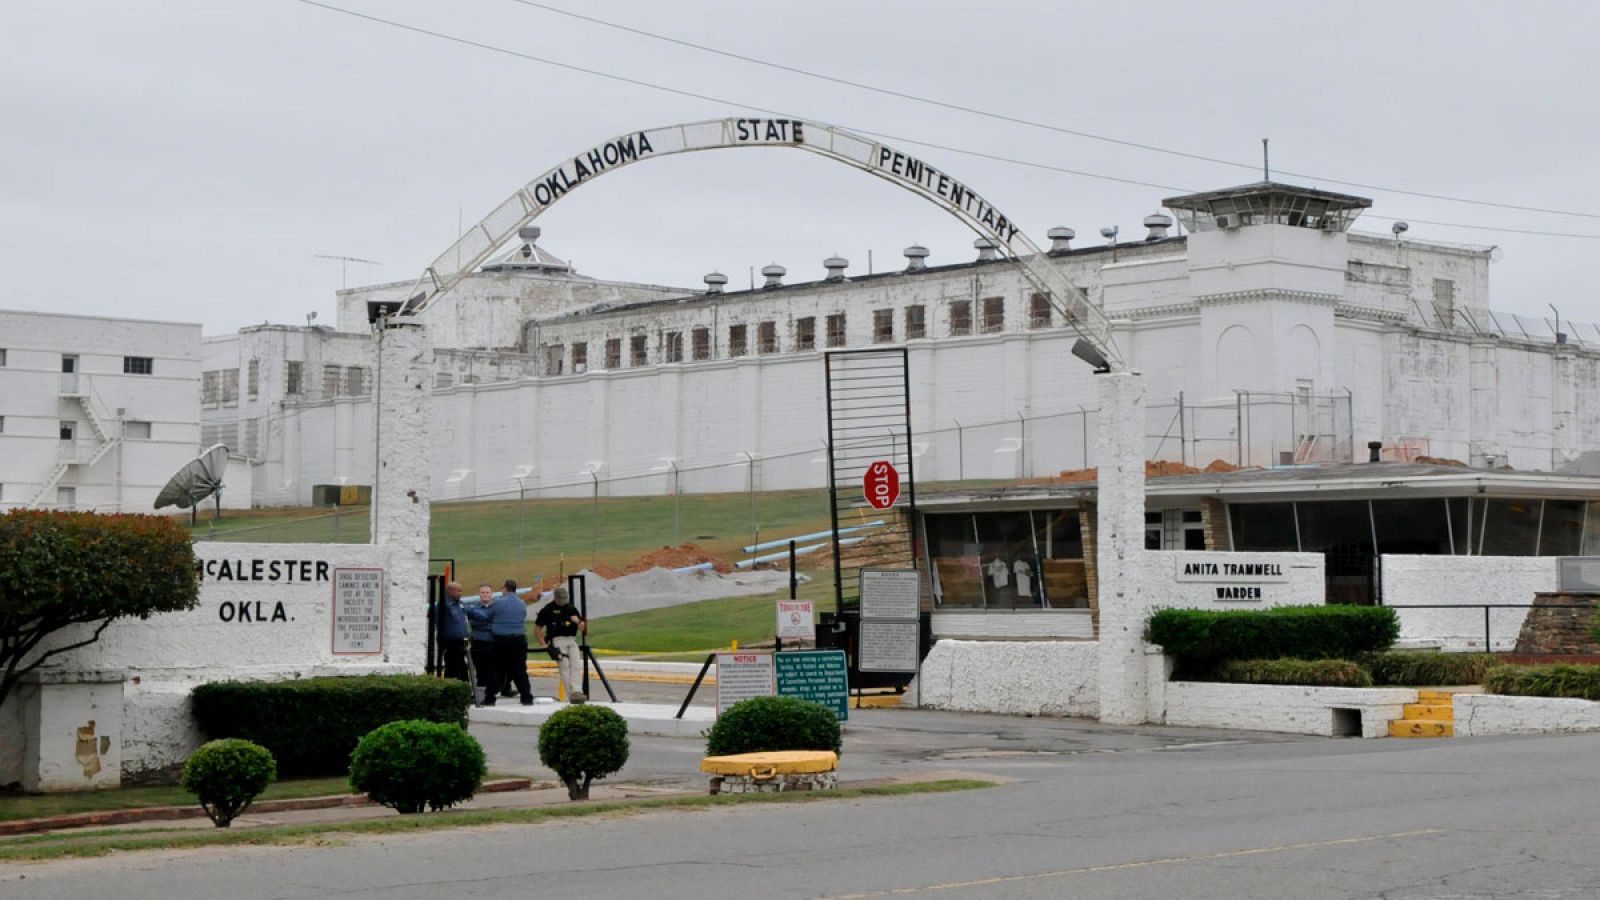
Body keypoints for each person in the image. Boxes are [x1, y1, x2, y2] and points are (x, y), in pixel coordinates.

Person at [482, 578, 533, 706]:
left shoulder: (498, 603)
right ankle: (526, 697)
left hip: (501, 640)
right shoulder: (522, 603)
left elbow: (488, 617)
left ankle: (490, 698)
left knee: (495, 669)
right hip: (519, 640)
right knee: (520, 669)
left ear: (505, 588)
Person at [534, 585, 587, 703]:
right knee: (565, 667)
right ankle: (572, 695)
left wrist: (578, 621)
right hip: (557, 640)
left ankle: (578, 691)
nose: (562, 603)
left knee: (576, 666)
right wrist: (544, 644)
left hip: (572, 640)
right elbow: (537, 629)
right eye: (560, 600)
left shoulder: (571, 608)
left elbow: (582, 628)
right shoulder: (548, 609)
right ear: (555, 598)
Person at [464, 583, 498, 705]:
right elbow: (474, 624)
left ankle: (491, 696)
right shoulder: (473, 608)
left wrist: (483, 622)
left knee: (493, 671)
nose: (485, 595)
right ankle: (480, 697)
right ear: (479, 594)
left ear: (492, 594)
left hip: (493, 644)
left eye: (487, 592)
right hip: (478, 644)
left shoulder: (497, 608)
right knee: (480, 672)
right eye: (482, 592)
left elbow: (496, 625)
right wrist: (488, 623)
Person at [437, 581, 469, 682]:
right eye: (458, 591)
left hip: (461, 642)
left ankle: (462, 688)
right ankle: (452, 689)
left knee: (461, 667)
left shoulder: (461, 604)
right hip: (450, 643)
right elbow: (435, 618)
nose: (461, 593)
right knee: (452, 668)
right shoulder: (444, 605)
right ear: (450, 592)